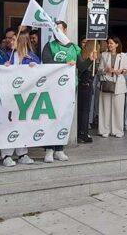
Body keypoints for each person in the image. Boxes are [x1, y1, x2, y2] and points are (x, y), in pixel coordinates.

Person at [42, 21, 80, 161]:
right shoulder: (49, 46)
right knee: (51, 117)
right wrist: (64, 64)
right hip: (53, 87)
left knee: (64, 118)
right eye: (54, 29)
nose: (56, 32)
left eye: (59, 29)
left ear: (65, 30)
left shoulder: (73, 47)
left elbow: (80, 66)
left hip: (69, 87)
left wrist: (90, 59)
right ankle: (49, 149)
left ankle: (59, 149)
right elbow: (46, 61)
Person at [1, 31, 38, 167]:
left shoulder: (32, 58)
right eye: (10, 40)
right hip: (9, 97)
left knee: (23, 124)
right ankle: (6, 155)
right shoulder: (7, 56)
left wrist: (36, 68)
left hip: (25, 98)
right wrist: (3, 67)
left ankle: (22, 153)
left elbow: (41, 75)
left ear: (21, 42)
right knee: (8, 124)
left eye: (14, 40)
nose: (11, 42)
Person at [98, 36, 127, 138]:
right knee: (105, 108)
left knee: (118, 108)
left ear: (117, 44)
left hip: (119, 84)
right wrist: (105, 70)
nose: (109, 45)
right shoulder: (104, 55)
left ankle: (118, 130)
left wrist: (121, 71)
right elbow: (99, 70)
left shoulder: (123, 56)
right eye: (108, 43)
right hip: (107, 82)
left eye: (111, 43)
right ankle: (105, 130)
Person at [77, 40, 99, 143]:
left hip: (84, 85)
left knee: (83, 110)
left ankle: (82, 132)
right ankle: (83, 133)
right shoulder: (84, 58)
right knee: (85, 111)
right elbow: (82, 68)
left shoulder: (82, 56)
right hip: (85, 85)